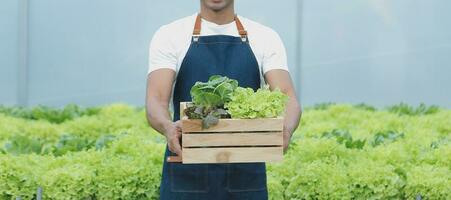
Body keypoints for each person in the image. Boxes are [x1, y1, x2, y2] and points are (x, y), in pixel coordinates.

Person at [145, 0, 301, 199]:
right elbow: (156, 98)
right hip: (186, 171)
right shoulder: (170, 35)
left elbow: (287, 95)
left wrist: (286, 129)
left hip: (245, 175)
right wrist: (167, 127)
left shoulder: (265, 36)